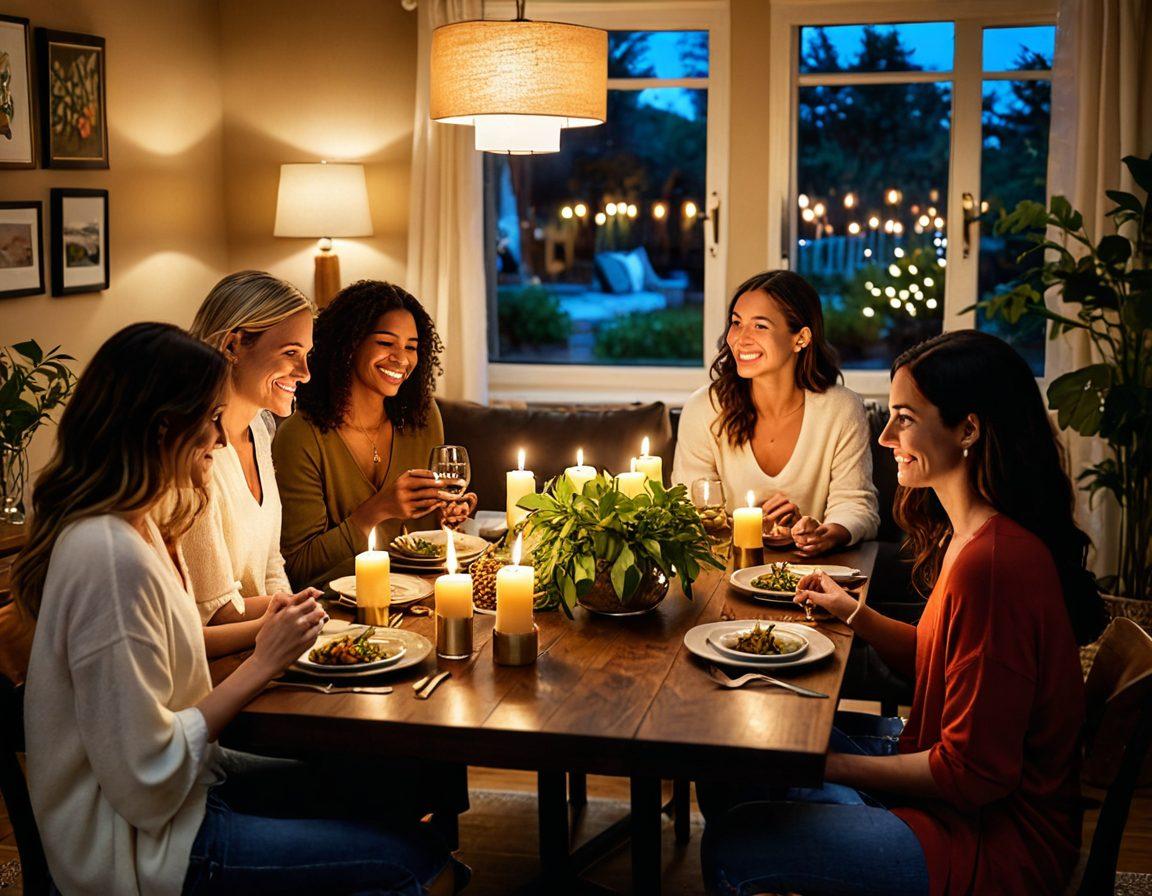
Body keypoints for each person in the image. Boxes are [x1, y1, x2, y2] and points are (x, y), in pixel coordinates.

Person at [12, 322, 456, 895]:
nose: (220, 442)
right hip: (142, 850)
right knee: (409, 862)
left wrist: (268, 627)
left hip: (185, 796)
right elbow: (145, 781)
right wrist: (262, 662)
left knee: (394, 787)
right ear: (162, 428)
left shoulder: (139, 525)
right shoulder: (109, 557)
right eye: (209, 422)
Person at [700, 330, 1106, 896]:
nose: (887, 436)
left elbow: (972, 775)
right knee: (747, 747)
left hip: (991, 842)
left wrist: (825, 766)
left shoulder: (993, 564)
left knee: (733, 841)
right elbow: (938, 662)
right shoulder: (967, 534)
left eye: (905, 419)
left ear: (968, 429)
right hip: (946, 780)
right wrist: (853, 614)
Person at [274, 280, 477, 589]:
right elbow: (299, 569)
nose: (402, 358)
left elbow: (420, 537)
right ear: (349, 344)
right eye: (386, 343)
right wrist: (376, 511)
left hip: (419, 598)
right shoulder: (299, 437)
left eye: (411, 347)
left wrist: (445, 518)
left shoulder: (421, 418)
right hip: (337, 614)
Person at [673, 269, 879, 554]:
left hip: (810, 576)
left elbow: (857, 504)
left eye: (760, 326)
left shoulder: (841, 409)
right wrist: (747, 524)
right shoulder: (704, 409)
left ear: (801, 338)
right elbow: (687, 513)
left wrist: (824, 533)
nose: (740, 339)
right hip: (720, 572)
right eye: (736, 322)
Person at [184, 271, 318, 657]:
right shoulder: (192, 454)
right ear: (233, 345)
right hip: (220, 663)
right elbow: (216, 613)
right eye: (291, 353)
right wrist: (302, 617)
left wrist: (301, 618)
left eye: (307, 355)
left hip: (263, 650)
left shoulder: (260, 427)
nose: (305, 373)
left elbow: (271, 564)